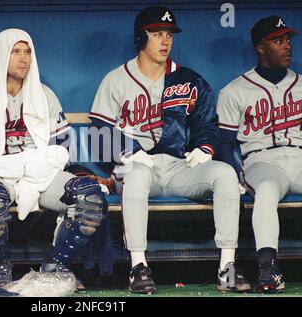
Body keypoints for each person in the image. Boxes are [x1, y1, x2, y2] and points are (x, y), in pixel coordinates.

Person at [89, 5, 251, 294]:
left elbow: (207, 125)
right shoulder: (116, 80)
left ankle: (227, 267)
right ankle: (138, 267)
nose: (165, 41)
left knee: (225, 174)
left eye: (169, 35)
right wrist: (128, 151)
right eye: (157, 34)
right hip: (138, 169)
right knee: (136, 177)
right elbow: (98, 134)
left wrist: (204, 147)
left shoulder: (189, 79)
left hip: (179, 167)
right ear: (141, 38)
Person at [0, 28, 106, 289]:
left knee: (88, 196)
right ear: (0, 55)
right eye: (16, 52)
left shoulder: (44, 95)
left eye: (28, 52)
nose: (24, 58)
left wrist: (34, 165)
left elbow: (63, 144)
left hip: (39, 173)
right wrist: (14, 165)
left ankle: (55, 268)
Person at [216, 16, 302, 293]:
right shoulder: (234, 90)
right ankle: (268, 268)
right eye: (278, 41)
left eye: (288, 40)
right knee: (265, 190)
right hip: (263, 161)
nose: (287, 46)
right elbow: (225, 142)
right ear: (260, 48)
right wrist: (232, 176)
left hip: (301, 157)